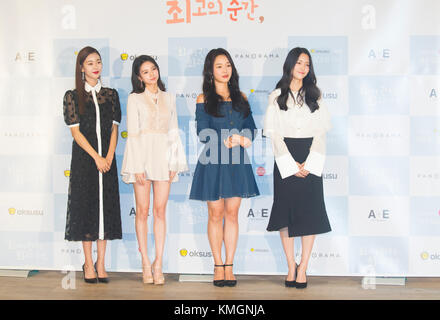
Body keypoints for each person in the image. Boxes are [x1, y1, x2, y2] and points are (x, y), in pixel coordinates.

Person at [189, 48, 260, 287]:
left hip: (237, 161)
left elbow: (251, 128)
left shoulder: (241, 97)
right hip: (212, 161)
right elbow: (201, 132)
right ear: (210, 70)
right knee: (215, 214)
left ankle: (230, 265)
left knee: (232, 214)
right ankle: (217, 265)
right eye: (219, 66)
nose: (225, 70)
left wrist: (241, 139)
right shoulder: (203, 99)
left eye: (228, 65)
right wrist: (225, 138)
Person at [264, 47, 332, 289]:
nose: (303, 68)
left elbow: (322, 132)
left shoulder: (316, 95)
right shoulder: (276, 96)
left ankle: (303, 267)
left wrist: (310, 164)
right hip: (285, 157)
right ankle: (290, 265)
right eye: (299, 63)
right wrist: (290, 164)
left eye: (307, 64)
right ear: (290, 65)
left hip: (311, 155)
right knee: (285, 214)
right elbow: (272, 134)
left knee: (310, 213)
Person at [121, 55, 188, 285]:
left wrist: (174, 162)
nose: (151, 74)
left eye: (153, 69)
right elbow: (133, 133)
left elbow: (174, 130)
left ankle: (159, 263)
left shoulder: (169, 97)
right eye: (146, 71)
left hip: (164, 158)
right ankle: (145, 262)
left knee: (160, 211)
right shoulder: (134, 98)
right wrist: (137, 166)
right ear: (139, 77)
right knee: (142, 211)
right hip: (142, 156)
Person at [63, 46, 122, 284]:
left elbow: (115, 128)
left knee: (105, 210)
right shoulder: (72, 96)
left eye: (98, 61)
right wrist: (96, 157)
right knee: (87, 210)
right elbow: (76, 133)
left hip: (108, 162)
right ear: (81, 68)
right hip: (84, 162)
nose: (96, 66)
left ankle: (102, 263)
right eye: (90, 63)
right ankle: (88, 262)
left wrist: (108, 156)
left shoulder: (111, 94)